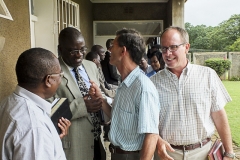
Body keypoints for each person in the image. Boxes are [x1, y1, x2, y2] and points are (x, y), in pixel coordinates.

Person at [151, 26, 235, 160]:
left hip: (202, 153)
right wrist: (158, 141)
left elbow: (219, 115)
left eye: (173, 47)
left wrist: (229, 152)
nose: (168, 53)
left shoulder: (207, 75)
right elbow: (149, 122)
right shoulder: (153, 83)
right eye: (164, 48)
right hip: (167, 154)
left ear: (187, 47)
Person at [89, 28, 163, 160]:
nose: (109, 50)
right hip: (117, 154)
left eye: (113, 46)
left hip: (132, 156)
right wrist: (100, 98)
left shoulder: (143, 87)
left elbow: (151, 134)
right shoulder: (124, 84)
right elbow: (117, 117)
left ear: (123, 51)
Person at [0, 48, 71, 160]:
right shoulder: (34, 127)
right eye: (60, 75)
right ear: (49, 80)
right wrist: (41, 138)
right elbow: (33, 139)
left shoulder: (7, 102)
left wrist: (51, 139)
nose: (60, 80)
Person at [54, 27, 105, 160]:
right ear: (60, 49)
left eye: (82, 49)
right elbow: (49, 110)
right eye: (73, 51)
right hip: (74, 147)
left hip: (97, 141)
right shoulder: (52, 71)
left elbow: (102, 93)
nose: (79, 54)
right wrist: (82, 106)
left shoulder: (91, 66)